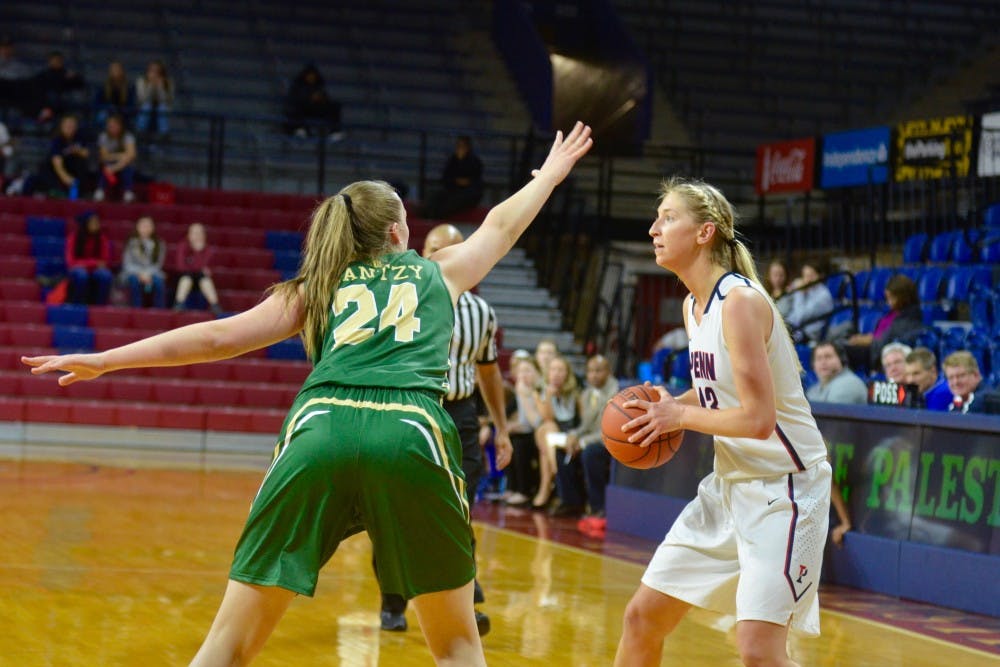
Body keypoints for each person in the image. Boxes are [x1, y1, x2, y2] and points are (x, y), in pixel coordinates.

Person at [22, 122, 592, 666]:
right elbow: (502, 226)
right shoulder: (436, 273)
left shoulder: (317, 284)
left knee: (228, 646)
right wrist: (548, 175)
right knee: (457, 649)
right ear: (398, 232)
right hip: (411, 431)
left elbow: (218, 336)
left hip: (320, 427)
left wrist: (106, 359)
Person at [613, 176, 831, 667]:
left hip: (786, 492)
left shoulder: (741, 303)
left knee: (758, 650)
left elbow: (758, 419)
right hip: (730, 486)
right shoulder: (695, 306)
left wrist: (681, 414)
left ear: (705, 232)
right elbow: (716, 394)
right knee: (641, 618)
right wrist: (670, 408)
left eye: (668, 217)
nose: (654, 228)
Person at [375, 222, 513, 637]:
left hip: (461, 416)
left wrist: (502, 429)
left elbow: (488, 373)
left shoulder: (481, 313)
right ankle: (394, 599)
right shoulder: (400, 297)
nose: (442, 256)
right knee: (399, 511)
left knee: (458, 510)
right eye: (434, 248)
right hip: (411, 411)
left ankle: (462, 597)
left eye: (453, 249)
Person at [570, 354, 620, 537]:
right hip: (592, 438)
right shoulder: (586, 394)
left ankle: (598, 506)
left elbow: (606, 429)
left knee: (590, 453)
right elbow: (585, 426)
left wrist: (582, 442)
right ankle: (571, 502)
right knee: (564, 452)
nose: (594, 375)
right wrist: (574, 436)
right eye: (590, 371)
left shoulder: (616, 392)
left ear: (608, 372)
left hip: (612, 443)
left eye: (598, 371)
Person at [532, 355, 581, 513]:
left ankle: (545, 490)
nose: (556, 373)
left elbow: (581, 420)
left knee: (547, 438)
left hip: (569, 433)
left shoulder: (575, 393)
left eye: (561, 370)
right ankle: (554, 469)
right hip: (549, 431)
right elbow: (547, 417)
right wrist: (548, 396)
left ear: (567, 373)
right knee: (548, 427)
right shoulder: (540, 391)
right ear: (548, 372)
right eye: (553, 369)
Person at [846, 274, 923, 374]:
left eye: (891, 298)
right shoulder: (894, 312)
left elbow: (888, 339)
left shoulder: (910, 316)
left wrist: (869, 340)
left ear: (903, 297)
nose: (889, 302)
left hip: (879, 351)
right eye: (887, 298)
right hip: (874, 345)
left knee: (844, 352)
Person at [504, 356, 544, 507]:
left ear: (537, 372)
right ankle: (512, 486)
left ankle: (524, 490)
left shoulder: (540, 389)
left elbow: (536, 421)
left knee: (520, 443)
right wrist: (512, 426)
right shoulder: (520, 388)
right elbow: (522, 419)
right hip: (529, 430)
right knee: (507, 437)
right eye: (520, 371)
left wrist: (524, 396)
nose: (523, 375)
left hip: (540, 432)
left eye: (527, 370)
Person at [420, 136, 485, 220]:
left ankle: (437, 216)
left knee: (454, 202)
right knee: (435, 196)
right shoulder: (453, 160)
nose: (460, 149)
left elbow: (475, 181)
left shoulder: (475, 161)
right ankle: (425, 214)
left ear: (468, 147)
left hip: (468, 193)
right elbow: (446, 178)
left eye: (463, 146)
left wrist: (464, 181)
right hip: (453, 189)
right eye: (458, 146)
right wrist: (456, 181)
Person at [31, 114, 89, 198]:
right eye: (67, 125)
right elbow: (57, 162)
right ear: (61, 126)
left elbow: (87, 153)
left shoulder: (79, 137)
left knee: (81, 164)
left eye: (72, 125)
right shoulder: (57, 140)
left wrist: (77, 150)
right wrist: (66, 178)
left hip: (72, 168)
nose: (70, 127)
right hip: (56, 171)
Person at [173, 222, 223, 315]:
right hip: (185, 278)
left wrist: (198, 253)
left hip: (200, 279)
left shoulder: (209, 249)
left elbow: (209, 271)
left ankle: (215, 305)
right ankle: (178, 304)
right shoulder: (182, 246)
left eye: (200, 233)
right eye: (194, 233)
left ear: (204, 235)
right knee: (186, 279)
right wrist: (197, 261)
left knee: (205, 280)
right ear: (188, 235)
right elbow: (180, 267)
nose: (197, 236)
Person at [65, 211, 113, 305]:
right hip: (78, 268)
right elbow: (70, 262)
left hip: (95, 270)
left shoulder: (102, 238)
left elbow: (105, 261)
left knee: (106, 275)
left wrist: (87, 264)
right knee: (81, 274)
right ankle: (76, 303)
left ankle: (100, 305)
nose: (96, 225)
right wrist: (93, 263)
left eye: (97, 223)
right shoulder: (74, 237)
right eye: (93, 223)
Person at [283, 63, 341, 138]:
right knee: (297, 107)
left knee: (335, 106)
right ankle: (300, 129)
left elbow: (326, 99)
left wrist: (320, 99)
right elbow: (294, 99)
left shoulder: (319, 86)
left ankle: (335, 131)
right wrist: (309, 98)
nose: (311, 77)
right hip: (303, 109)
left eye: (313, 76)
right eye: (310, 75)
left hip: (316, 109)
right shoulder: (298, 85)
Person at [120, 215, 166, 308]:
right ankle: (136, 309)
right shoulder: (130, 242)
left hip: (152, 273)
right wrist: (140, 274)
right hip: (133, 273)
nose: (146, 228)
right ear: (137, 227)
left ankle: (159, 311)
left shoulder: (159, 244)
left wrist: (148, 274)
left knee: (159, 282)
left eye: (148, 226)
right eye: (143, 226)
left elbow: (158, 265)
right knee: (133, 281)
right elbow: (127, 264)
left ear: (153, 228)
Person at [784, 257, 834, 344]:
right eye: (805, 276)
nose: (808, 280)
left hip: (809, 335)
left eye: (811, 275)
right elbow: (793, 316)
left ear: (820, 276)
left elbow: (800, 316)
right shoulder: (809, 291)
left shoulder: (823, 296)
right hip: (797, 331)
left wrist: (799, 292)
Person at [805, 341, 868, 405]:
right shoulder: (813, 389)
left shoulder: (849, 383)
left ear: (841, 359)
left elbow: (829, 413)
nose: (823, 362)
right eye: (819, 358)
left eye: (828, 357)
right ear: (813, 365)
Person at [94, 113, 137, 202]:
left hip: (121, 165)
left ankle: (128, 192)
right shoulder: (103, 137)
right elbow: (104, 156)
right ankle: (100, 190)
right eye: (110, 126)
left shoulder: (128, 136)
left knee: (127, 164)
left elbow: (132, 155)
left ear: (120, 126)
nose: (112, 128)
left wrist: (114, 168)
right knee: (105, 164)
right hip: (109, 164)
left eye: (115, 125)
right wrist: (121, 155)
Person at [135, 60, 173, 137]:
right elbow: (142, 99)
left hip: (162, 105)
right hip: (145, 105)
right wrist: (151, 85)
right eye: (152, 70)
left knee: (162, 108)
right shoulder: (141, 81)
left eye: (157, 71)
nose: (155, 74)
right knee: (147, 106)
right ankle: (140, 132)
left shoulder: (168, 82)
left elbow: (167, 100)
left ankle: (164, 134)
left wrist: (160, 87)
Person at [93, 60, 135, 127]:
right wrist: (108, 108)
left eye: (118, 70)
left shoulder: (129, 87)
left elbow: (131, 105)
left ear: (122, 71)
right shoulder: (103, 86)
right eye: (113, 70)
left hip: (123, 113)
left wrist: (121, 111)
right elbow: (96, 103)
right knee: (101, 115)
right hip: (108, 112)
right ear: (110, 72)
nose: (115, 72)